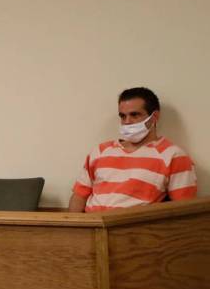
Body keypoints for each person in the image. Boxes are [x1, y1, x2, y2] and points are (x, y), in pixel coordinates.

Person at [68, 87, 197, 212]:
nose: (127, 121)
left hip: (135, 230)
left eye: (134, 115)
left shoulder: (173, 155)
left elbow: (184, 211)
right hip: (93, 226)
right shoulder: (100, 151)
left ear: (154, 117)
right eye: (123, 116)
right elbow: (79, 196)